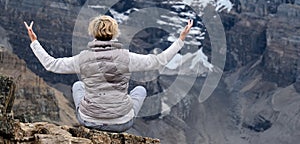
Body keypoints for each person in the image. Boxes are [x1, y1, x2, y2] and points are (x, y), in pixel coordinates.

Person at [24, 15, 193, 132]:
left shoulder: (83, 58)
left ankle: (91, 114)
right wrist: (181, 40)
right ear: (114, 34)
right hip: (122, 123)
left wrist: (34, 42)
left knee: (78, 85)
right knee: (140, 90)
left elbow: (51, 65)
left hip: (89, 120)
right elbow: (158, 61)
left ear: (93, 33)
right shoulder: (126, 57)